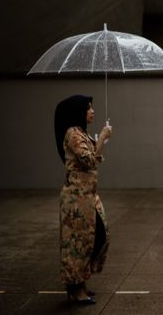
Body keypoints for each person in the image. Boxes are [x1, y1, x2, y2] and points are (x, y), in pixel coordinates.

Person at [54, 95, 113, 304]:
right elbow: (89, 161)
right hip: (76, 199)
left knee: (98, 235)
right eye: (88, 108)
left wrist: (100, 140)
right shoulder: (72, 134)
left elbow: (91, 157)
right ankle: (75, 288)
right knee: (77, 243)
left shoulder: (81, 133)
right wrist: (103, 138)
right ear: (78, 112)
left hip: (88, 196)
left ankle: (81, 282)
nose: (92, 111)